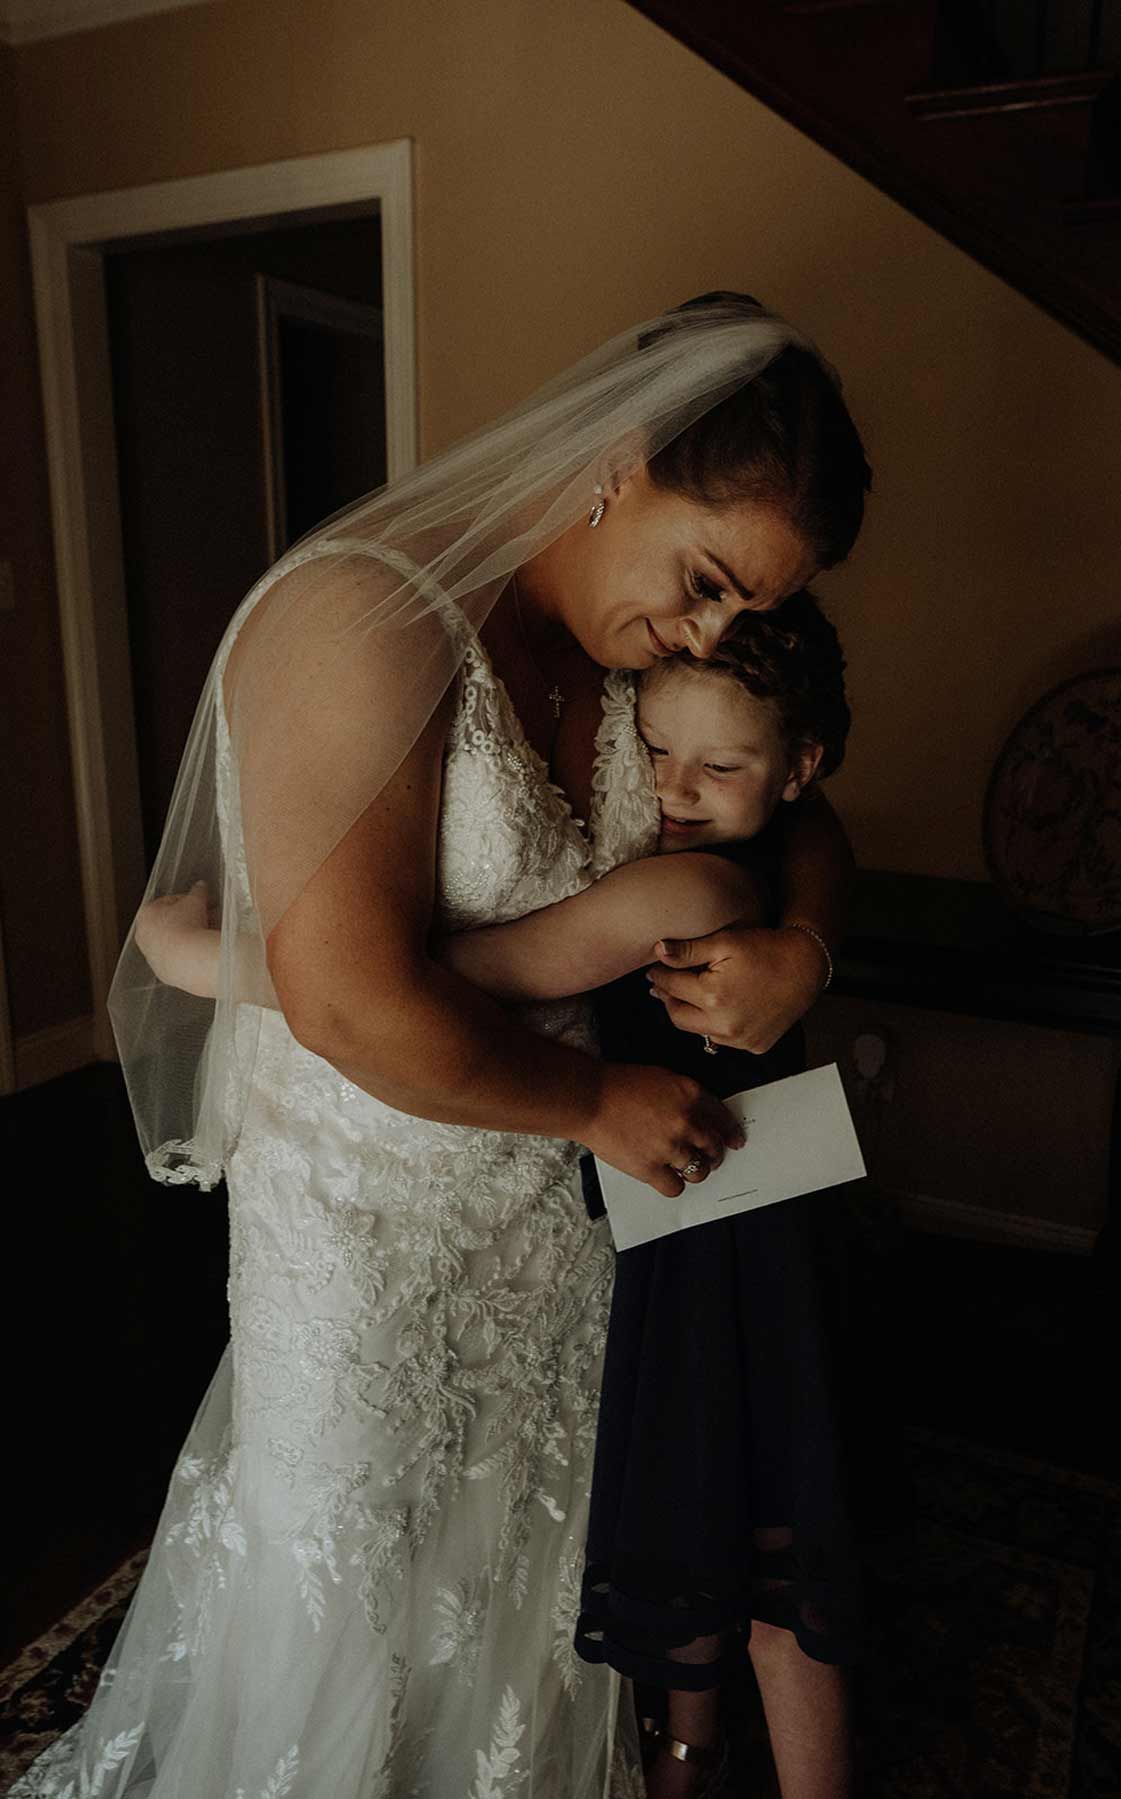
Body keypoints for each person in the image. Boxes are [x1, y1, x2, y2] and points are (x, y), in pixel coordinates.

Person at [10, 295, 870, 1799]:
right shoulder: (359, 620)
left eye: (740, 619)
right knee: (348, 1601)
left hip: (555, 1234)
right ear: (617, 459)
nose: (708, 633)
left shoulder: (615, 664)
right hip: (372, 1238)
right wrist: (597, 1096)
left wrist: (802, 944)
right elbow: (345, 1001)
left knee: (526, 1582)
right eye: (706, 580)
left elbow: (798, 805)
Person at [135, 593, 858, 1799]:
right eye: (658, 753)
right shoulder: (737, 824)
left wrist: (201, 955)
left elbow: (460, 973)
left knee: (739, 1503)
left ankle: (712, 1744)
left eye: (714, 765)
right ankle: (687, 1738)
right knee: (726, 1502)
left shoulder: (692, 897)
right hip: (684, 1206)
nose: (673, 788)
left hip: (700, 1210)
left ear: (788, 767)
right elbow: (806, 817)